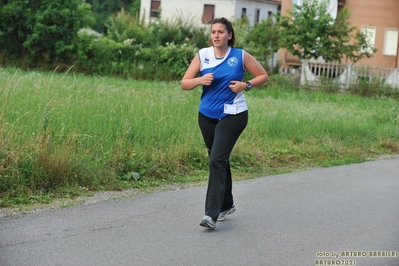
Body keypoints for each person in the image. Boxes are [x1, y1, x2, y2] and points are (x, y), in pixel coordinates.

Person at [181, 17, 269, 229]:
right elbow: (185, 83)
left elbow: (263, 76)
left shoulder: (239, 56)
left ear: (229, 35)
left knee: (216, 160)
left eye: (221, 32)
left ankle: (211, 214)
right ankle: (227, 203)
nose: (216, 36)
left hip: (233, 115)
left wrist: (245, 85)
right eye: (213, 32)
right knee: (218, 159)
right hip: (207, 116)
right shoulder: (203, 55)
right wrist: (200, 80)